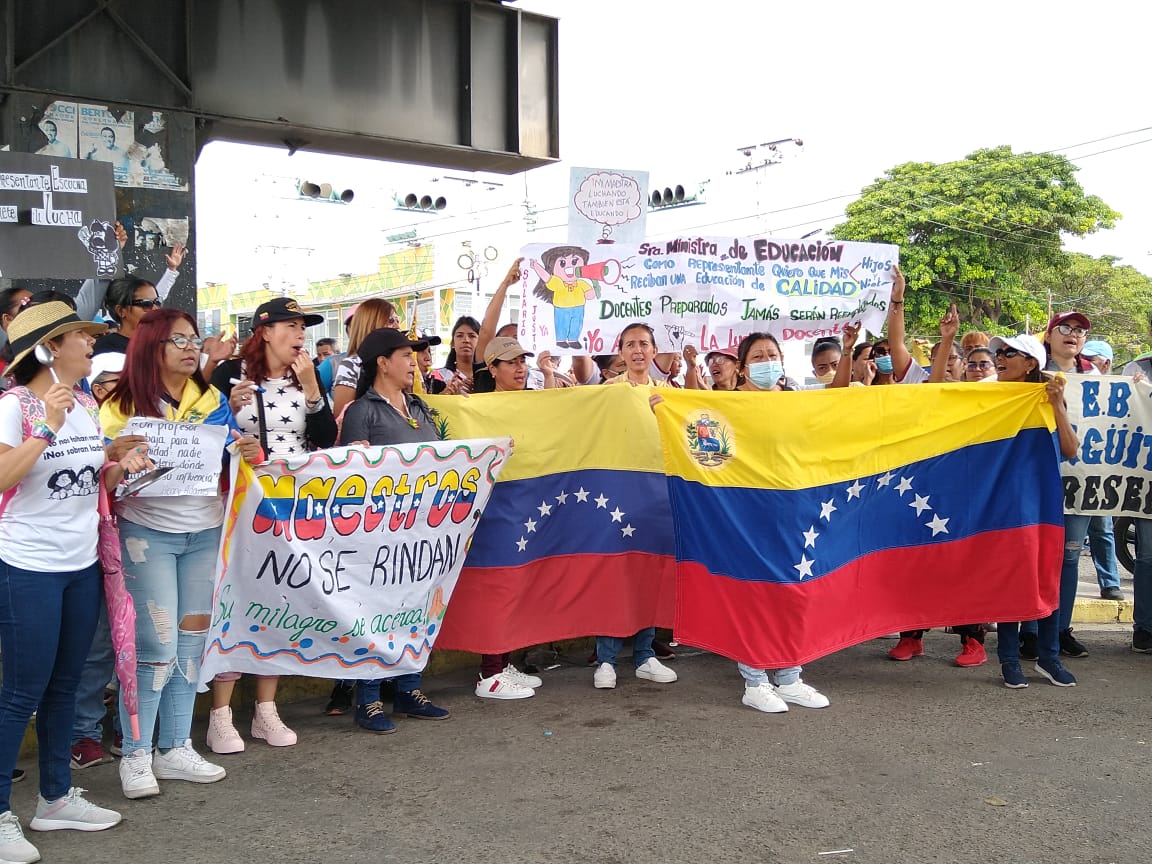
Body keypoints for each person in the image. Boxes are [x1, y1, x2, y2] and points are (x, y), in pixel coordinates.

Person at [101, 309, 264, 799]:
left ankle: (174, 747)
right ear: (152, 346)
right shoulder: (120, 402)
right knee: (156, 648)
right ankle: (135, 753)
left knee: (191, 645)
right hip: (147, 535)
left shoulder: (211, 399)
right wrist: (116, 455)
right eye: (179, 340)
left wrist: (246, 447)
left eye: (195, 339)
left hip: (204, 534)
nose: (192, 348)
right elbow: (106, 469)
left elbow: (229, 451)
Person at [0, 302, 143, 860]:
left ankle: (55, 798)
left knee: (65, 685)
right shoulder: (13, 405)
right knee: (20, 693)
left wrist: (115, 460)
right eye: (82, 337)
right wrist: (46, 427)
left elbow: (85, 474)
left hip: (81, 564)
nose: (92, 345)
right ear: (48, 348)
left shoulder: (85, 402)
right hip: (27, 565)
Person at [207, 297, 338, 754]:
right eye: (291, 325)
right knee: (234, 596)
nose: (300, 334)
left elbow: (324, 440)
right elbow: (201, 436)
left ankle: (266, 710)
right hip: (241, 503)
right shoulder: (229, 373)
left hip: (291, 505)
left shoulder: (309, 377)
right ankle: (220, 715)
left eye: (303, 327)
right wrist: (226, 405)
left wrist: (312, 389)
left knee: (280, 596)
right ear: (265, 331)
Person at [337, 328, 451, 732]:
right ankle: (367, 699)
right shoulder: (361, 411)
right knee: (375, 612)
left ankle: (408, 688)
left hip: (422, 532)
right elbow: (351, 477)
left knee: (416, 607)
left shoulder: (419, 407)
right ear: (382, 362)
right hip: (378, 535)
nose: (414, 363)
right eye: (406, 355)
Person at [988, 333, 1079, 688]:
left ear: (1030, 364)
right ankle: (1009, 660)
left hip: (1042, 504)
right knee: (1011, 580)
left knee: (1045, 578)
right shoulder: (986, 397)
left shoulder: (1047, 398)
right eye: (999, 352)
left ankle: (1049, 658)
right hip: (1002, 506)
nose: (1000, 357)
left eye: (1009, 352)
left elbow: (1070, 450)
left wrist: (1057, 405)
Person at [592, 322, 679, 689]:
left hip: (657, 495)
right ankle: (606, 659)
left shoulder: (670, 394)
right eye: (630, 344)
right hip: (617, 494)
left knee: (650, 574)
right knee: (614, 575)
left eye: (644, 343)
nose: (638, 350)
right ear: (621, 352)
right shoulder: (606, 392)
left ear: (654, 351)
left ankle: (645, 654)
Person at [469, 336, 550, 700]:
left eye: (523, 361)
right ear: (492, 369)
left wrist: (548, 375)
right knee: (498, 584)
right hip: (496, 504)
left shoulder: (531, 401)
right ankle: (489, 673)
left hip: (527, 503)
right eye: (511, 362)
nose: (520, 368)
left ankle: (503, 662)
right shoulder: (477, 407)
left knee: (518, 583)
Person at [331, 299, 401, 418]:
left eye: (397, 320)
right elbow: (341, 419)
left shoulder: (398, 362)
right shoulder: (352, 365)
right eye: (391, 320)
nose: (397, 325)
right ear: (372, 324)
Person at [439, 315, 494, 395]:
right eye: (460, 336)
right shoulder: (439, 376)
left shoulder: (490, 376)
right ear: (453, 343)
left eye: (472, 336)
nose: (466, 340)